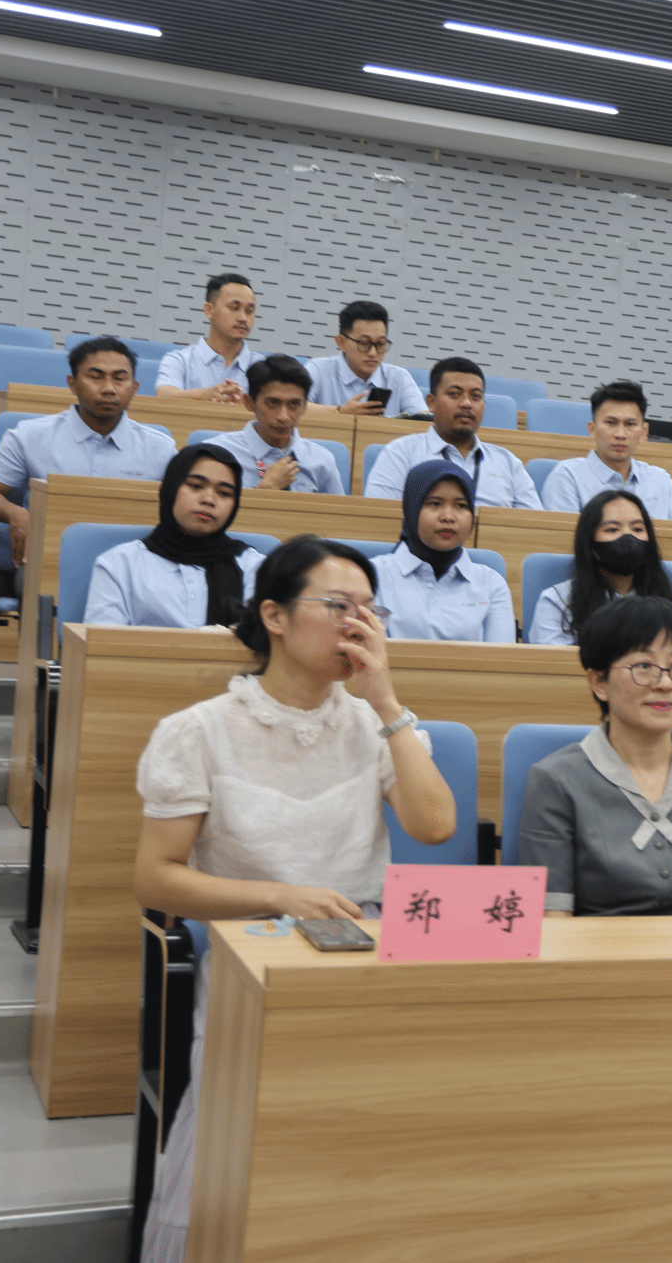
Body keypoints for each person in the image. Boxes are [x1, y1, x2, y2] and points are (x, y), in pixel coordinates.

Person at [133, 534, 455, 1263]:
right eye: (339, 605)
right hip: (254, 953)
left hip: (366, 949)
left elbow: (435, 826)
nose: (357, 625)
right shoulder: (198, 732)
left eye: (369, 611)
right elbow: (155, 878)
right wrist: (280, 895)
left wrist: (386, 701)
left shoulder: (375, 722)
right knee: (243, 1134)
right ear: (274, 616)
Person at [519, 596, 672, 915]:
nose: (666, 683)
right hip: (596, 947)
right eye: (644, 666)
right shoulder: (555, 780)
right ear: (599, 682)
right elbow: (553, 917)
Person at [0, 336, 176, 566]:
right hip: (50, 562)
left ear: (134, 388)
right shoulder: (30, 435)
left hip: (134, 567)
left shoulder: (161, 448)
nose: (108, 389)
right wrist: (15, 514)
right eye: (95, 377)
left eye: (120, 378)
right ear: (72, 384)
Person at [83, 445, 264, 628]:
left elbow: (263, 640)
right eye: (196, 486)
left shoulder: (255, 567)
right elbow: (102, 641)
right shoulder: (119, 564)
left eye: (224, 493)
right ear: (171, 488)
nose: (209, 500)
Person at [362, 357, 540, 509]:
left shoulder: (508, 463)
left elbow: (535, 526)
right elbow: (380, 518)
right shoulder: (400, 453)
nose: (467, 404)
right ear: (431, 403)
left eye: (475, 396)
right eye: (455, 394)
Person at [370, 461, 514, 643]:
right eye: (435, 503)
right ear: (412, 508)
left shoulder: (491, 584)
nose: (448, 517)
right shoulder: (373, 574)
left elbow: (502, 658)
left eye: (461, 506)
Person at [528, 490, 672, 646]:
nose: (628, 537)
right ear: (590, 544)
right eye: (612, 529)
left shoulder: (667, 602)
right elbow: (552, 660)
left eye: (637, 529)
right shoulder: (558, 602)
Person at [540, 379, 672, 520]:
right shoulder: (568, 476)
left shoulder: (660, 479)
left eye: (630, 424)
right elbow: (562, 535)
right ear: (592, 429)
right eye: (611, 423)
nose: (620, 434)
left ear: (644, 432)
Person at [206, 355, 346, 494]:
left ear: (304, 407)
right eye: (273, 403)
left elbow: (336, 509)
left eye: (294, 404)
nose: (283, 417)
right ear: (249, 403)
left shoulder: (322, 461)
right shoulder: (218, 454)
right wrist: (265, 490)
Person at [154, 272, 267, 403]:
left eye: (249, 311)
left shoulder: (264, 368)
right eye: (234, 308)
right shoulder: (179, 360)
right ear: (209, 310)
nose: (243, 318)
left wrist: (246, 406)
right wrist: (204, 396)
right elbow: (163, 395)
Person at [304, 300, 427, 417]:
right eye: (364, 343)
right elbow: (296, 406)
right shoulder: (318, 369)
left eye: (380, 344)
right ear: (341, 342)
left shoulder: (399, 378)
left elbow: (423, 420)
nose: (373, 353)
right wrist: (339, 412)